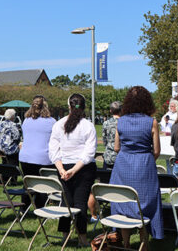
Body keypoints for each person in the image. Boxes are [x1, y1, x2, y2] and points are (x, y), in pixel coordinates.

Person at [110, 86, 163, 249]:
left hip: (123, 165)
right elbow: (156, 151)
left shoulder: (121, 121)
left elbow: (116, 148)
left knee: (124, 203)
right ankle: (144, 243)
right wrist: (145, 158)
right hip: (145, 166)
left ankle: (126, 243)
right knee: (145, 203)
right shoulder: (151, 122)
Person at [49, 93, 97, 246]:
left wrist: (61, 169)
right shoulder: (88, 126)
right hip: (82, 168)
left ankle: (65, 236)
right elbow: (89, 153)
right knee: (80, 203)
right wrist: (74, 170)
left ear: (69, 106)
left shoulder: (58, 124)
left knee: (66, 202)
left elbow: (53, 150)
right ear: (83, 107)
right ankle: (82, 239)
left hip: (65, 168)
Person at [19, 95, 56, 208]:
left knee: (28, 183)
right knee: (42, 185)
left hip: (25, 157)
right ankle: (40, 208)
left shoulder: (26, 120)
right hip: (43, 157)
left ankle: (24, 207)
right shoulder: (52, 122)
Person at [0, 108, 21, 183]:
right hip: (12, 149)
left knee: (4, 163)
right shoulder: (15, 125)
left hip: (2, 149)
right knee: (13, 164)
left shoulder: (1, 125)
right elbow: (17, 137)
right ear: (13, 117)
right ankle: (13, 180)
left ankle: (5, 179)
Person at [102, 101, 122, 170]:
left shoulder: (106, 123)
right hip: (121, 157)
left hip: (108, 156)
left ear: (110, 111)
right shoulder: (124, 123)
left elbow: (104, 140)